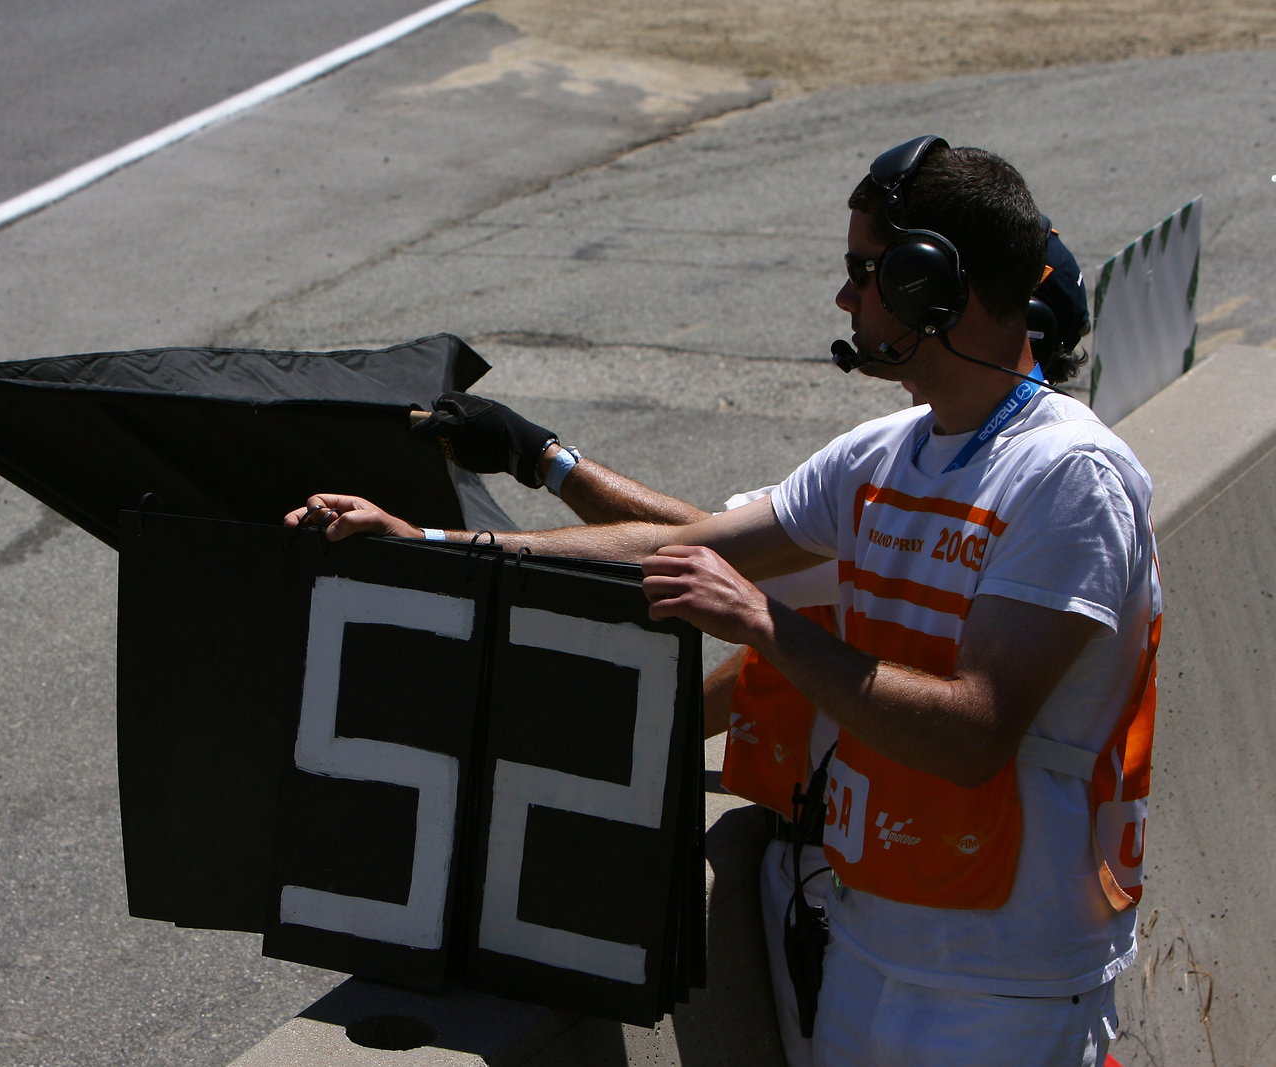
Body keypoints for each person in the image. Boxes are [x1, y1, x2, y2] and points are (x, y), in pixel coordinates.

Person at [287, 136, 1157, 1066]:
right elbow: (672, 546)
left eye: (864, 273)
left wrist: (761, 624)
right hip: (873, 944)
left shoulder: (1072, 475)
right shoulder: (883, 453)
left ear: (927, 285)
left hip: (1006, 983)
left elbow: (974, 733)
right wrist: (428, 543)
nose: (845, 299)